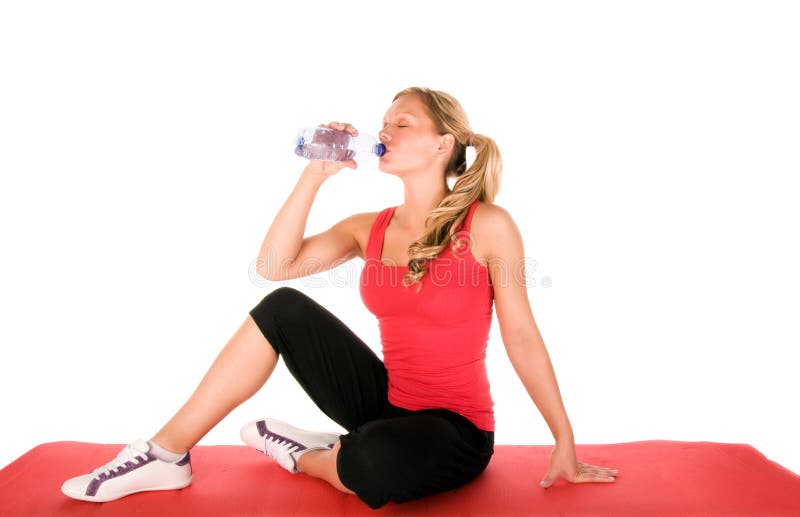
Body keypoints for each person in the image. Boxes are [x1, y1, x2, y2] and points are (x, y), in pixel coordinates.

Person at [61, 86, 619, 509]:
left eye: (403, 123)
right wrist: (315, 175)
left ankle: (309, 456)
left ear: (443, 145)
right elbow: (273, 267)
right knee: (282, 310)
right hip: (384, 403)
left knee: (373, 465)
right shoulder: (367, 228)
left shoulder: (489, 225)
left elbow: (521, 334)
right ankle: (165, 454)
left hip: (456, 431)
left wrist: (564, 438)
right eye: (385, 123)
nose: (387, 131)